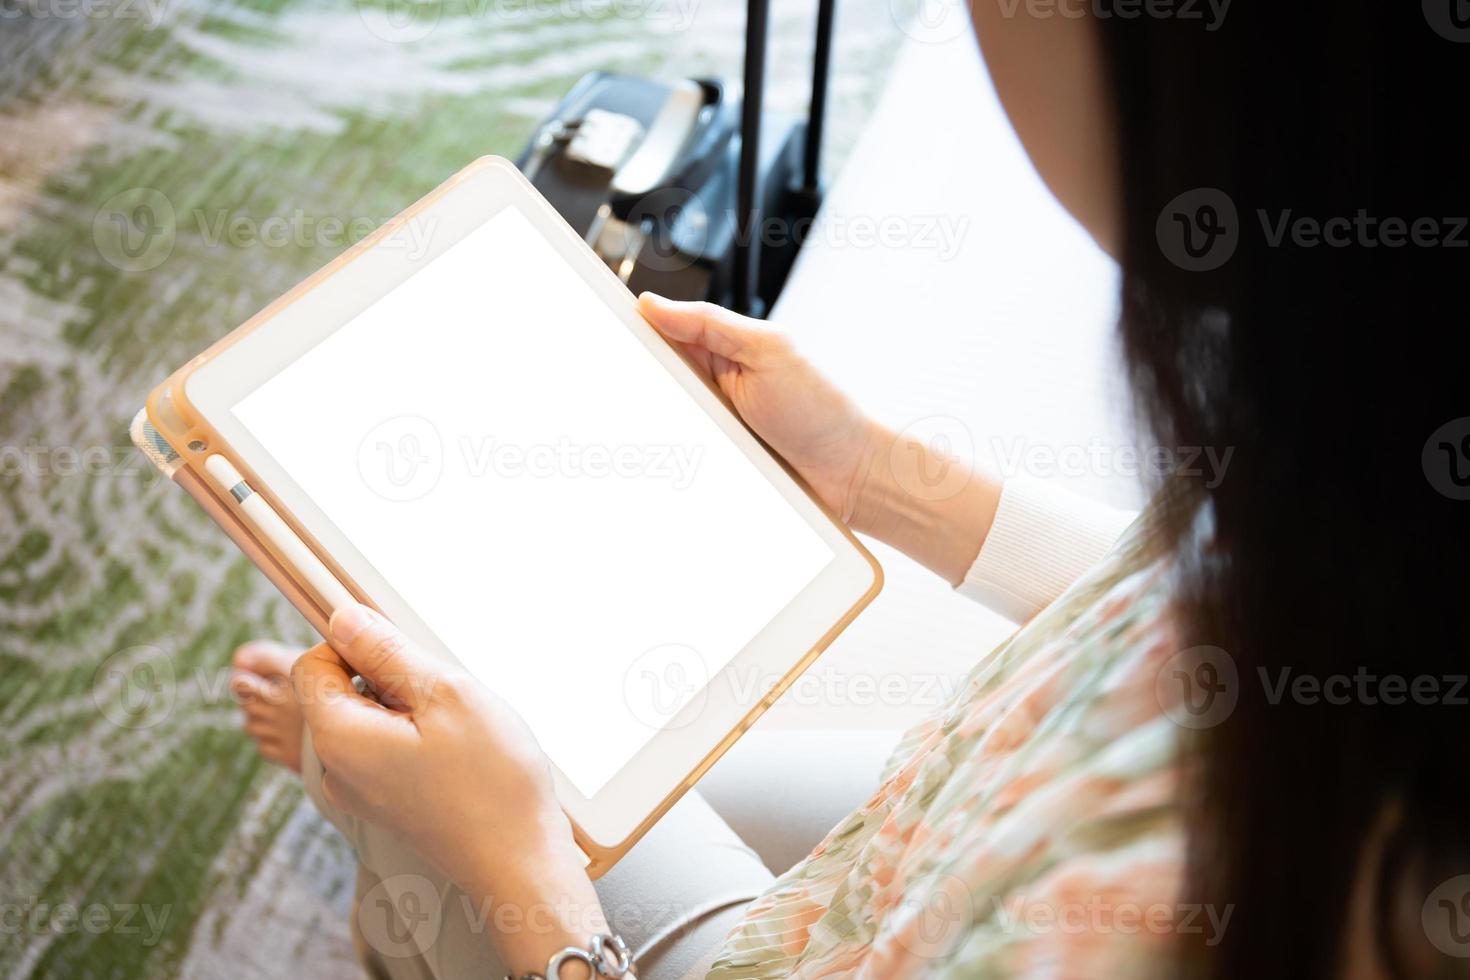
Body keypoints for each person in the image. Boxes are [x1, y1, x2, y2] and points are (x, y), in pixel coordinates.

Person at [230, 1, 1470, 977]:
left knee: (460, 801)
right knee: (599, 761)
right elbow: (1193, 599)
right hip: (961, 811)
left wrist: (525, 884)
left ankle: (398, 883)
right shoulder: (1378, 435)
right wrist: (880, 473)